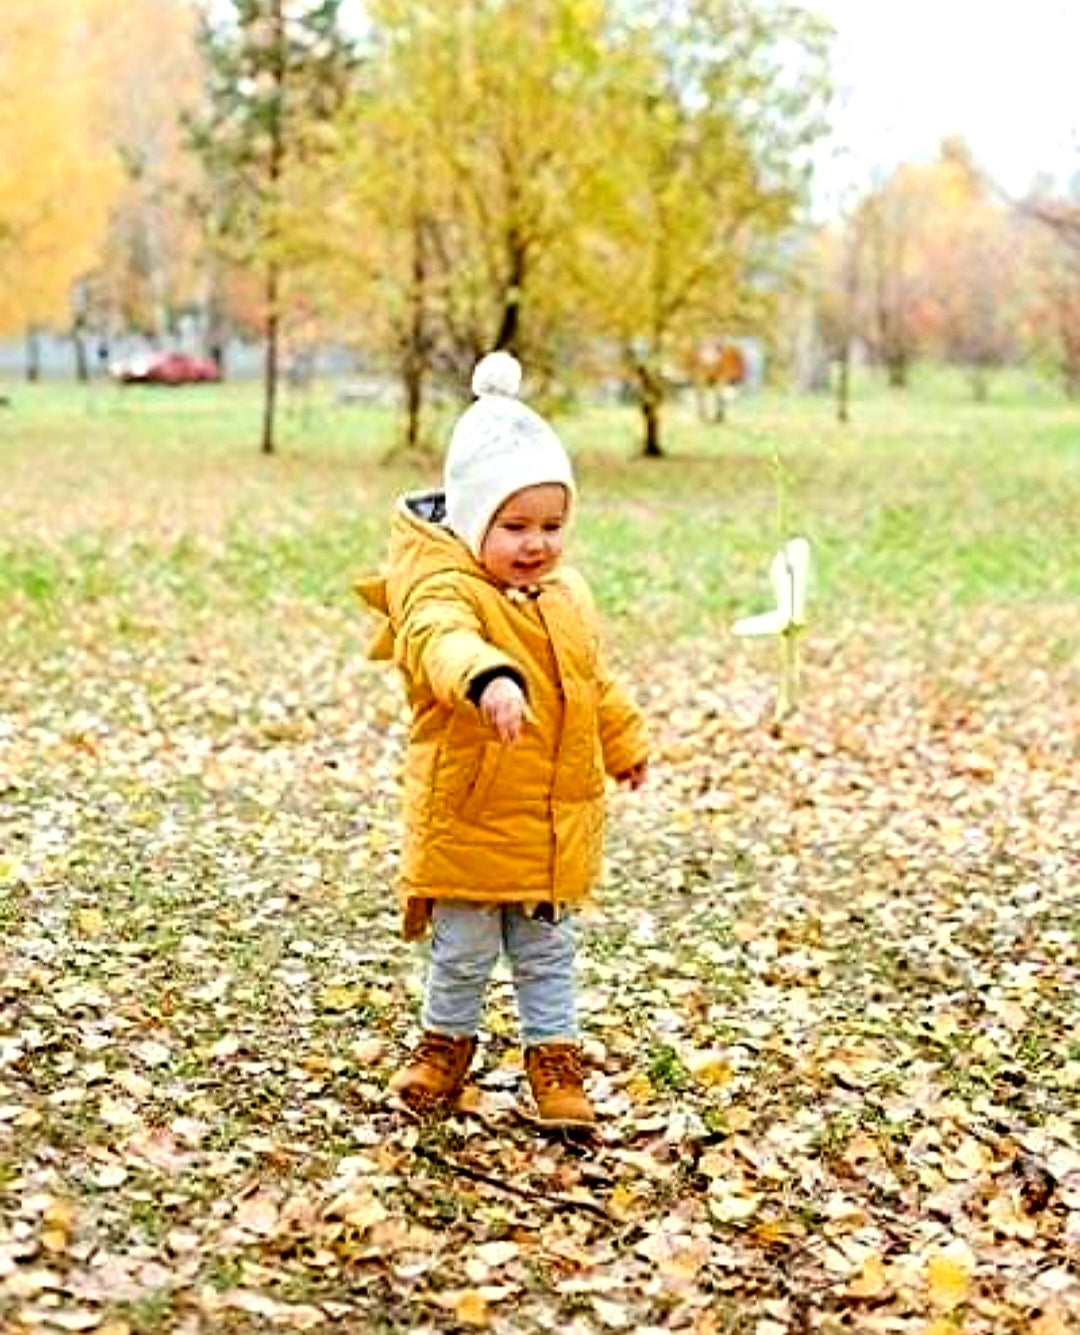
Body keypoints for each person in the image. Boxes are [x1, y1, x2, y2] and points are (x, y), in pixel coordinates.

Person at [356, 351, 648, 1128]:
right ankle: (444, 1042)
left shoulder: (566, 596)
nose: (537, 543)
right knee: (462, 951)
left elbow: (591, 681)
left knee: (549, 953)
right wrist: (489, 678)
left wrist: (624, 742)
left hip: (554, 820)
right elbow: (437, 637)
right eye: (514, 525)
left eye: (552, 525)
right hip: (473, 814)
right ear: (473, 519)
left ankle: (555, 1058)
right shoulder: (446, 590)